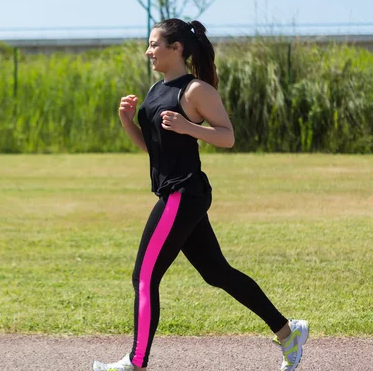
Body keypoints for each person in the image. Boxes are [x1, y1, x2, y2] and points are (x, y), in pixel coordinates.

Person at [91, 19, 309, 371]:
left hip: (183, 193)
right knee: (217, 272)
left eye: (154, 44)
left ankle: (136, 361)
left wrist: (190, 127)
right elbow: (154, 149)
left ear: (175, 48)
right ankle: (288, 333)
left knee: (144, 277)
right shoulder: (155, 89)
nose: (148, 51)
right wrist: (127, 121)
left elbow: (227, 137)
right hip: (174, 192)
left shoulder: (195, 91)